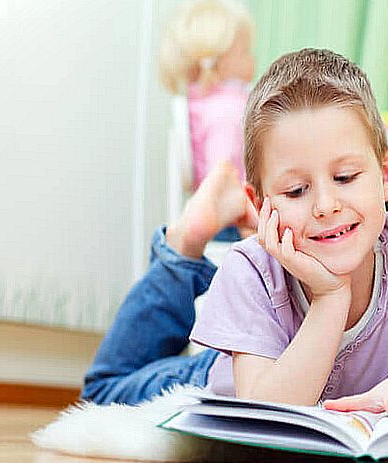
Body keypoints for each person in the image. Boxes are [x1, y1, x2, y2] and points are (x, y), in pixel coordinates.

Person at [189, 48, 388, 417]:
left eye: (345, 178)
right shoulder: (249, 269)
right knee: (111, 384)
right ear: (259, 204)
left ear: (385, 175)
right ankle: (183, 242)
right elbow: (266, 417)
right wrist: (331, 296)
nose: (325, 206)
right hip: (215, 369)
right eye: (296, 191)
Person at [81, 160, 258, 405]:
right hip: (239, 368)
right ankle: (182, 254)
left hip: (242, 366)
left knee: (105, 389)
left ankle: (181, 254)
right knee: (103, 391)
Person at [159, 0, 255, 241]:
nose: (252, 59)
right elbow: (220, 175)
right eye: (245, 52)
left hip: (225, 218)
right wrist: (250, 223)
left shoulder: (203, 103)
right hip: (230, 225)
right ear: (220, 61)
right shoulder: (227, 111)